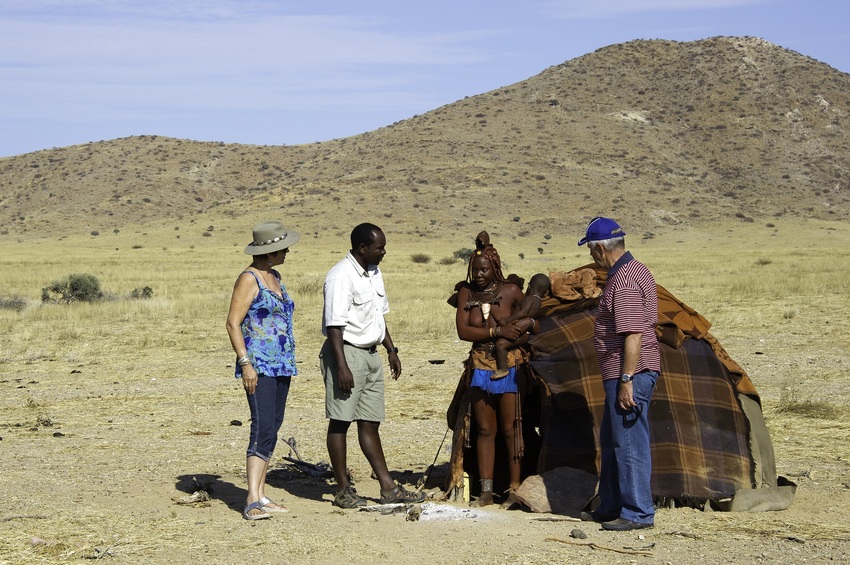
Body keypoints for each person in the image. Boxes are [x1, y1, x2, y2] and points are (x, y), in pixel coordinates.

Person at [320, 223, 426, 508]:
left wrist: (390, 348)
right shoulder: (341, 276)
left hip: (371, 354)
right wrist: (341, 366)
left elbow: (378, 316)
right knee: (341, 420)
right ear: (362, 248)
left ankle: (388, 487)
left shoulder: (373, 272)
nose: (384, 252)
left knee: (370, 422)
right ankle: (343, 489)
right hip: (347, 354)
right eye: (379, 247)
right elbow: (334, 325)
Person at [578, 217, 661, 531]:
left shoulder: (624, 280)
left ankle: (638, 512)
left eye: (590, 250)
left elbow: (633, 335)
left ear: (599, 249)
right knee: (614, 438)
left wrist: (627, 380)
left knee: (628, 442)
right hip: (623, 373)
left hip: (630, 373)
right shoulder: (632, 271)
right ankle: (610, 506)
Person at [225, 220, 300, 520]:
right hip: (259, 365)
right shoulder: (249, 279)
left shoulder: (275, 276)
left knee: (274, 425)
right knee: (262, 426)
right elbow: (233, 322)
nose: (286, 252)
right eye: (282, 248)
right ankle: (251, 499)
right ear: (268, 252)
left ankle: (261, 493)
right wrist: (245, 363)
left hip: (282, 364)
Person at [454, 232, 535, 507]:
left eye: (484, 269)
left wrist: (511, 337)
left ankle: (514, 490)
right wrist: (496, 330)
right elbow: (463, 331)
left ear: (495, 268)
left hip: (509, 365)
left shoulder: (511, 291)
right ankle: (486, 491)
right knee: (486, 430)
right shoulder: (466, 292)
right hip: (479, 365)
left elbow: (530, 322)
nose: (478, 274)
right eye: (474, 269)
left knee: (512, 429)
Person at [491, 273, 550, 379]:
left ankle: (502, 369)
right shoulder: (538, 302)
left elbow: (523, 313)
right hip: (526, 332)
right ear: (545, 293)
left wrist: (507, 320)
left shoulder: (529, 299)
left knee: (500, 344)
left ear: (529, 286)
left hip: (520, 329)